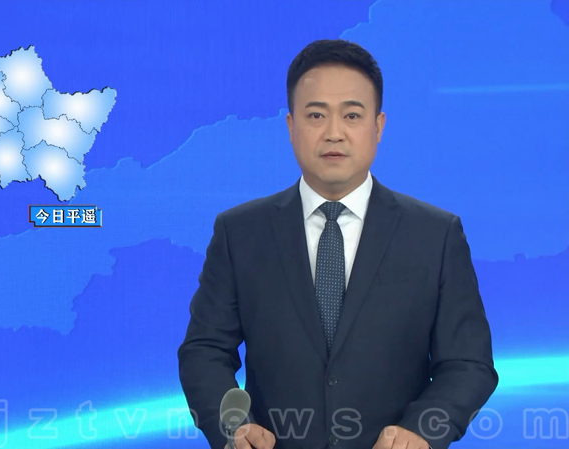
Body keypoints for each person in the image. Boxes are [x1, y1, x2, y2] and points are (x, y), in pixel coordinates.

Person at [177, 39, 498, 449]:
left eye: (351, 115)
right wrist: (232, 427)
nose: (334, 133)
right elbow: (204, 350)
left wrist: (422, 430)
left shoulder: (435, 235)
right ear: (291, 126)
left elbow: (469, 364)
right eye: (316, 115)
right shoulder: (239, 233)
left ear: (378, 127)